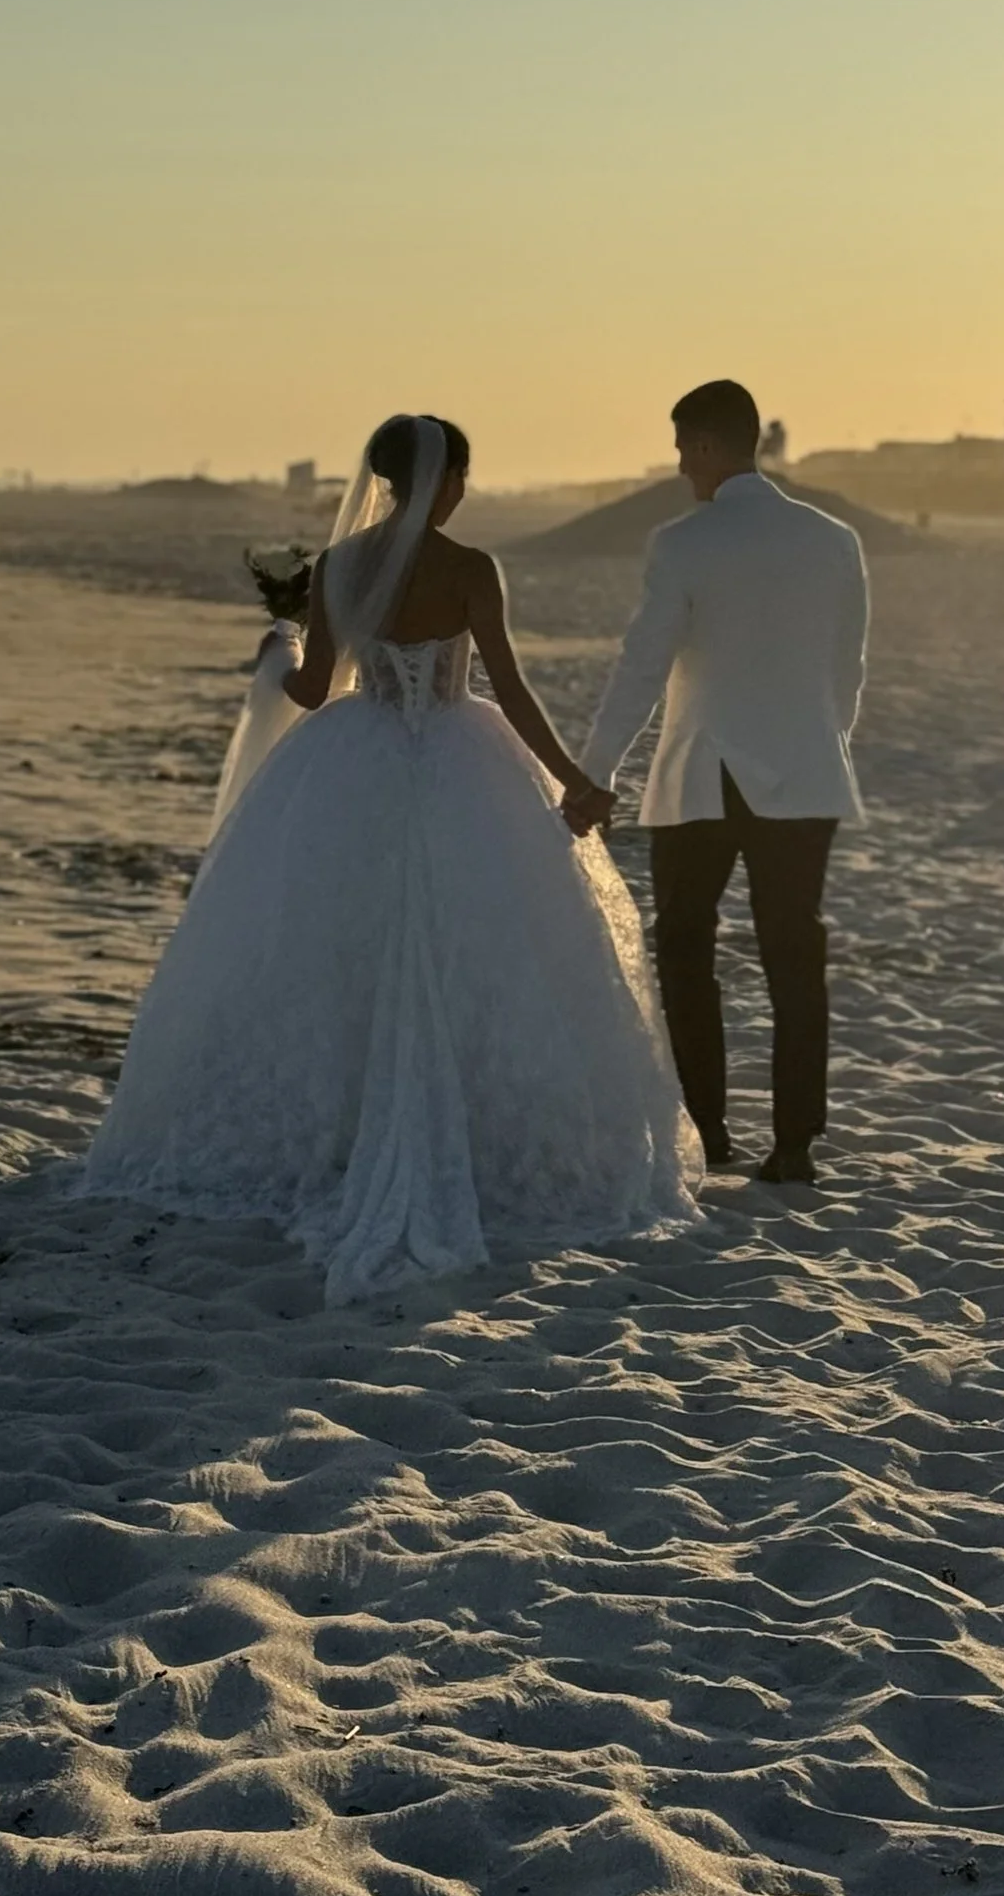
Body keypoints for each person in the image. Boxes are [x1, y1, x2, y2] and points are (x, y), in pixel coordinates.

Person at [82, 414, 693, 1302]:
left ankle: (335, 1137)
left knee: (335, 951)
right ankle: (477, 1146)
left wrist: (273, 660)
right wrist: (572, 781)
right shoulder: (472, 568)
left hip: (354, 758)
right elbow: (510, 689)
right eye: (461, 478)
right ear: (444, 483)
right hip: (461, 759)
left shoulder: (341, 566)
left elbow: (315, 685)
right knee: (480, 954)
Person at [569, 379, 868, 1186]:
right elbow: (849, 670)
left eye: (680, 448)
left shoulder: (681, 541)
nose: (678, 465)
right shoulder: (835, 539)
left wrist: (595, 770)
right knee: (794, 954)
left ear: (704, 445)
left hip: (706, 773)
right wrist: (817, 740)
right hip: (806, 774)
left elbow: (642, 665)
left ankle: (709, 1127)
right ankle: (796, 1142)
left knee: (687, 948)